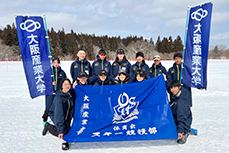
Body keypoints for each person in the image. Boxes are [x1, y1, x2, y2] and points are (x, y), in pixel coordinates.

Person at [42, 78, 75, 150]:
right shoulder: (59, 98)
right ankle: (49, 127)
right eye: (65, 84)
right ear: (61, 86)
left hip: (66, 117)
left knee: (69, 132)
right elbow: (59, 115)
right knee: (64, 132)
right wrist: (60, 131)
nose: (67, 86)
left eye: (69, 84)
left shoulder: (69, 94)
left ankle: (64, 131)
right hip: (56, 115)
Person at [42, 57, 66, 125]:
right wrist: (50, 83)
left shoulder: (62, 72)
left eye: (57, 63)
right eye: (54, 62)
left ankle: (57, 120)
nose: (56, 64)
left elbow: (64, 81)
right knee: (48, 106)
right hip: (50, 91)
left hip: (58, 91)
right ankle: (45, 120)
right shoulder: (48, 71)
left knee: (57, 107)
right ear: (52, 63)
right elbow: (44, 81)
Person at [169, 80, 192, 144]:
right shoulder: (176, 95)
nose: (173, 90)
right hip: (176, 118)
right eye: (171, 88)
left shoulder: (181, 102)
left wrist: (180, 131)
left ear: (179, 87)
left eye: (174, 87)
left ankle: (184, 132)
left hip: (183, 122)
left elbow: (181, 117)